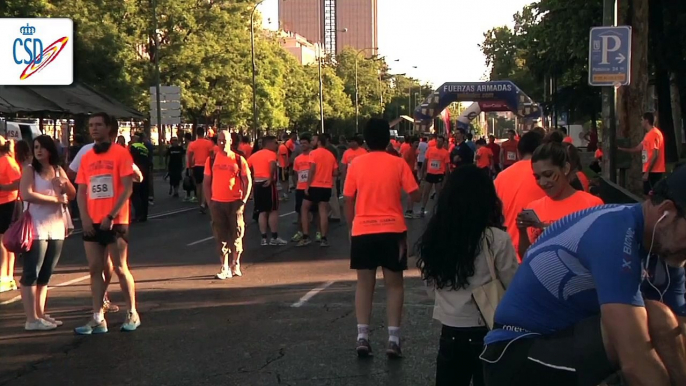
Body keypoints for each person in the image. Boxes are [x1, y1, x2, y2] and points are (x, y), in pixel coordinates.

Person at [481, 166, 686, 386]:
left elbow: (678, 331)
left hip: (563, 341)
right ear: (666, 213)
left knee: (662, 319)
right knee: (645, 326)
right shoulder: (614, 233)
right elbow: (634, 360)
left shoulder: (665, 245)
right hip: (516, 352)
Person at [416, 164, 518, 386]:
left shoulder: (436, 237)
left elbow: (430, 285)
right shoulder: (495, 239)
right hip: (488, 329)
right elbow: (513, 285)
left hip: (450, 330)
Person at [344, 118, 420, 359]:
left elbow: (348, 197)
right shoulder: (397, 163)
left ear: (365, 140)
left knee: (364, 284)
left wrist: (351, 226)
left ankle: (362, 336)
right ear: (388, 139)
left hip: (363, 228)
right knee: (394, 285)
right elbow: (415, 194)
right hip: (393, 230)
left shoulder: (356, 163)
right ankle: (393, 339)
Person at [74, 112, 139, 334]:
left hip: (115, 221)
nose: (94, 128)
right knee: (94, 269)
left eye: (98, 125)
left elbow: (128, 188)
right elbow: (81, 191)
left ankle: (132, 313)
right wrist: (84, 218)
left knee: (120, 268)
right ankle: (97, 317)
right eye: (91, 125)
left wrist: (111, 215)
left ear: (109, 128)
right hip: (92, 221)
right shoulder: (87, 157)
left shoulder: (121, 154)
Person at [19, 135, 76, 331]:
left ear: (51, 149)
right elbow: (25, 194)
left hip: (56, 226)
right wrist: (55, 200)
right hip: (36, 227)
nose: (39, 151)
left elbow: (72, 193)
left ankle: (40, 313)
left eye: (42, 147)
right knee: (31, 273)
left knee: (45, 274)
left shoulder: (57, 170)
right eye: (35, 147)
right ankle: (31, 318)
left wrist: (64, 185)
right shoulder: (30, 170)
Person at [516, 141, 604, 257]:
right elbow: (527, 257)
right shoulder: (533, 207)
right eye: (537, 177)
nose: (542, 182)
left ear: (565, 168)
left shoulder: (592, 205)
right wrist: (522, 231)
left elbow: (601, 252)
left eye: (548, 174)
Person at [205, 130, 252, 280]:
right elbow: (206, 182)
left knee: (237, 234)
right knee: (221, 236)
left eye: (225, 140)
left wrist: (243, 200)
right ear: (217, 142)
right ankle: (224, 267)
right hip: (217, 203)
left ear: (231, 141)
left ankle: (235, 263)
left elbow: (247, 180)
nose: (223, 143)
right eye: (220, 140)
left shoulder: (239, 159)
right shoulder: (211, 159)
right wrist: (209, 201)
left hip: (235, 203)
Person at [493, 131, 545, 260]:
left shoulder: (501, 177)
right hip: (539, 252)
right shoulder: (548, 178)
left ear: (519, 152)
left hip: (506, 253)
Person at [299, 133, 338, 247]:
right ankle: (324, 238)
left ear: (319, 142)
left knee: (304, 208)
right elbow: (335, 172)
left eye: (313, 140)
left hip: (314, 185)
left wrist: (307, 186)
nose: (312, 142)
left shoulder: (313, 153)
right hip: (326, 186)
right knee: (323, 212)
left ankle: (306, 236)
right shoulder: (330, 155)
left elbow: (312, 170)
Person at [247, 136, 287, 246]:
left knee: (262, 211)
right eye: (275, 143)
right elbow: (272, 164)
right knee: (273, 210)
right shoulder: (271, 154)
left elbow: (246, 167)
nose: (276, 145)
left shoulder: (254, 155)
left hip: (257, 184)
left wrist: (251, 180)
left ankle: (264, 238)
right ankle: (274, 237)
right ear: (268, 144)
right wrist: (270, 178)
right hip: (267, 184)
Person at [618, 112, 666, 195]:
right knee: (647, 193)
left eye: (642, 120)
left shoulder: (654, 134)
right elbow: (638, 148)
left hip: (654, 171)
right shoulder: (648, 135)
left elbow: (655, 155)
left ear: (646, 121)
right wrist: (621, 149)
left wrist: (647, 172)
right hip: (648, 169)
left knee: (652, 195)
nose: (641, 122)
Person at [0, 136, 22, 293]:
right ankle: (7, 277)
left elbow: (19, 181)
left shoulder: (7, 161)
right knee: (4, 242)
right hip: (3, 203)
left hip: (9, 203)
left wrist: (2, 187)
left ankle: (4, 277)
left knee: (4, 241)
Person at [291, 134, 319, 242]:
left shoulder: (313, 156)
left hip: (313, 187)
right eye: (301, 143)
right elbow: (296, 173)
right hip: (300, 187)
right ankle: (300, 231)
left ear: (309, 144)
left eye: (305, 143)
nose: (303, 145)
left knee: (315, 212)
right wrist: (296, 185)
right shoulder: (297, 159)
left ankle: (318, 232)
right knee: (300, 211)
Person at [420, 136, 450, 217]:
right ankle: (422, 208)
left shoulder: (445, 152)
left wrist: (446, 177)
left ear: (443, 143)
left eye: (441, 141)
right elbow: (425, 161)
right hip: (430, 173)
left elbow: (447, 166)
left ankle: (438, 209)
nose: (439, 143)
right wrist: (422, 172)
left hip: (439, 174)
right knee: (426, 192)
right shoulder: (430, 149)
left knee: (438, 193)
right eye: (438, 141)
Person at [187, 127, 215, 213]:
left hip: (196, 166)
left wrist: (190, 166)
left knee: (198, 185)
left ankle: (200, 203)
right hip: (206, 166)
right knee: (205, 185)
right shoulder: (209, 143)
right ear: (204, 133)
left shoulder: (192, 144)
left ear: (196, 134)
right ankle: (203, 203)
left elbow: (190, 156)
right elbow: (211, 156)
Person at [129, 133, 151, 222]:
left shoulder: (133, 147)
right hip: (145, 171)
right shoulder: (144, 148)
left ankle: (138, 214)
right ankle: (144, 215)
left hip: (136, 172)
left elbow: (130, 159)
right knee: (144, 194)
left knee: (135, 194)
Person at [403, 137, 419, 218]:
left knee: (412, 192)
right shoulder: (408, 152)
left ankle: (410, 210)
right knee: (411, 192)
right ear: (411, 144)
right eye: (416, 143)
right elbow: (404, 162)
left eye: (418, 142)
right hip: (410, 173)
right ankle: (409, 211)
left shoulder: (414, 151)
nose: (417, 144)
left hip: (413, 172)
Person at [277, 134, 291, 200]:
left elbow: (284, 157)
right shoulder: (283, 146)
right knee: (284, 180)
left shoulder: (282, 147)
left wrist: (285, 167)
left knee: (283, 180)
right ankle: (286, 193)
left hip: (283, 166)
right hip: (283, 165)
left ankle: (285, 194)